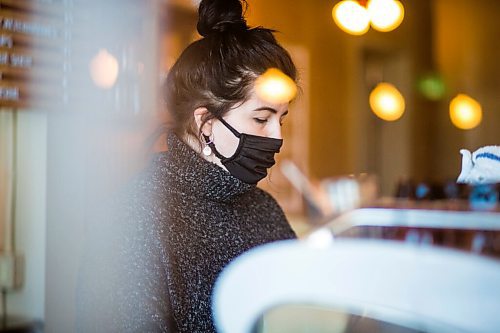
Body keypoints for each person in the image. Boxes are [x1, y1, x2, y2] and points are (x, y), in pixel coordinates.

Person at [77, 0, 298, 332]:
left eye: (281, 119)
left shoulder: (264, 209)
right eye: (261, 118)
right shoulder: (133, 216)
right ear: (205, 123)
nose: (276, 136)